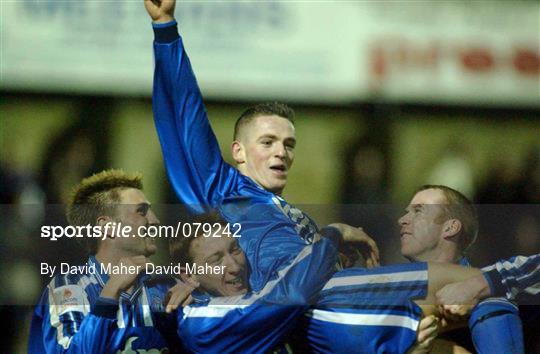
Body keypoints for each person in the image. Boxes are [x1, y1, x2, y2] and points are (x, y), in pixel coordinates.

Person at [28, 170, 184, 353]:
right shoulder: (68, 288)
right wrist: (111, 292)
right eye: (141, 211)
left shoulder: (164, 286)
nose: (155, 220)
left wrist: (192, 318)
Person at [399, 185, 524, 353]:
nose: (402, 220)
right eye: (407, 212)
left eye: (418, 211)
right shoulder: (393, 290)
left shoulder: (488, 300)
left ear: (450, 228)